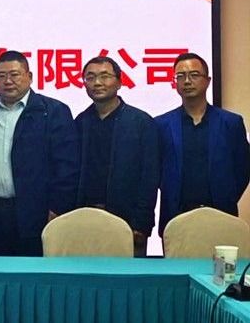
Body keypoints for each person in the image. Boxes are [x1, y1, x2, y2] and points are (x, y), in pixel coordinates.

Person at [0, 50, 79, 256]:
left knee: (34, 271)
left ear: (29, 77)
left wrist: (58, 208)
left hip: (37, 213)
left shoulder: (53, 112)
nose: (8, 81)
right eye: (1, 76)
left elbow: (67, 166)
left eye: (14, 74)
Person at [156, 52, 250, 235]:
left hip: (222, 215)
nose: (187, 81)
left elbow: (243, 168)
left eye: (194, 75)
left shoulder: (231, 123)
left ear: (208, 81)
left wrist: (227, 196)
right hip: (176, 217)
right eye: (180, 76)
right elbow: (155, 170)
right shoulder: (161, 125)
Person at [76, 56, 160, 256]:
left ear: (120, 82)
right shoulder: (80, 123)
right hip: (85, 219)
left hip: (128, 222)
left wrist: (141, 223)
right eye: (90, 77)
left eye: (105, 76)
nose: (97, 83)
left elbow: (150, 177)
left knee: (129, 274)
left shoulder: (141, 123)